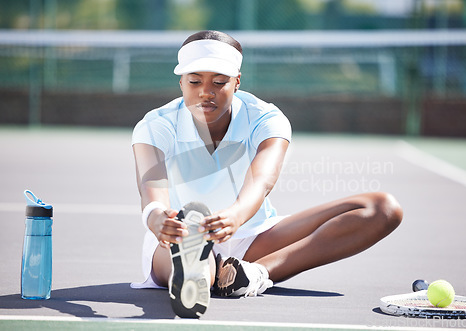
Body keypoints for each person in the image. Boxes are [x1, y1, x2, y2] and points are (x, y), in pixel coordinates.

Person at [131, 30, 403, 317]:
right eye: (194, 81)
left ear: (237, 82)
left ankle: (253, 274)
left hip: (254, 236)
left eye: (219, 82)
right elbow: (151, 182)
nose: (205, 92)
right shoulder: (155, 125)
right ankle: (198, 270)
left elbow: (262, 180)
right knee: (195, 260)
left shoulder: (266, 118)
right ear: (181, 83)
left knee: (383, 208)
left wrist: (236, 215)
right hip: (179, 237)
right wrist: (157, 216)